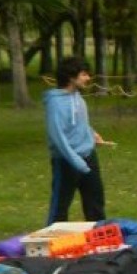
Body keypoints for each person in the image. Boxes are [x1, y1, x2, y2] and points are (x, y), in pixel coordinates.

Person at [45, 56, 110, 224]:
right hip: (66, 161)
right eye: (84, 74)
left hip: (88, 156)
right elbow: (58, 137)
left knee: (95, 203)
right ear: (71, 76)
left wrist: (92, 134)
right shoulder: (56, 103)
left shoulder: (78, 97)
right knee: (60, 207)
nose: (88, 78)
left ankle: (99, 240)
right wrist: (77, 162)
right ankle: (51, 243)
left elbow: (80, 123)